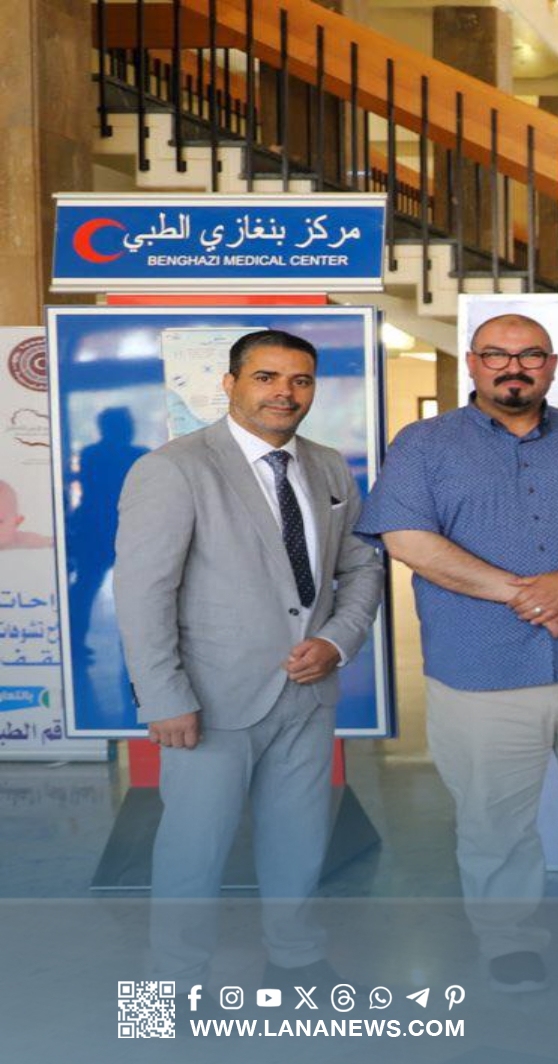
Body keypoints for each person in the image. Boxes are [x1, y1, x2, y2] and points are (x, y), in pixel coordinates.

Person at [356, 313, 558, 992]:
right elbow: (408, 540)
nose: (514, 367)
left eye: (530, 355)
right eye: (497, 355)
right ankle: (508, 940)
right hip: (481, 670)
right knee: (493, 821)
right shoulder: (424, 443)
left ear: (552, 365)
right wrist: (535, 597)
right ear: (473, 363)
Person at [118, 329, 383, 987]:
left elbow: (362, 565)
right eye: (266, 377)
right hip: (209, 701)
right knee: (194, 851)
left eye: (300, 380)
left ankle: (295, 956)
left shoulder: (328, 465)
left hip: (308, 692)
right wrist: (164, 696)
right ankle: (174, 983)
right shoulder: (175, 468)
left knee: (299, 838)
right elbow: (144, 592)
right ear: (230, 383)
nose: (284, 393)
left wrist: (336, 640)